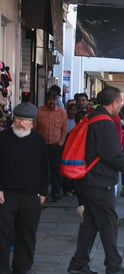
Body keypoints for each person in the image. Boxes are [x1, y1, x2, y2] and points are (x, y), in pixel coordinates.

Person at [67, 86, 124, 274]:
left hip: (87, 179)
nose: (120, 105)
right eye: (120, 102)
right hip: (99, 181)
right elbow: (111, 153)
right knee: (109, 223)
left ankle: (78, 264)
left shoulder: (93, 117)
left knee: (91, 223)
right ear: (115, 102)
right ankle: (114, 266)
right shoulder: (105, 122)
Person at [0, 102, 48, 274]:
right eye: (19, 119)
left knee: (27, 234)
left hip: (31, 195)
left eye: (26, 121)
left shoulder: (38, 140)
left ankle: (22, 267)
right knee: (3, 234)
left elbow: (45, 167)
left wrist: (43, 192)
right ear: (13, 120)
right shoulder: (3, 138)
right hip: (6, 195)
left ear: (32, 123)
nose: (21, 124)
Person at [36, 92, 68, 201]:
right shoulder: (39, 112)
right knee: (43, 170)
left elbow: (64, 129)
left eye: (53, 99)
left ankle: (56, 193)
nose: (52, 102)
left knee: (56, 170)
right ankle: (42, 192)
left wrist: (61, 142)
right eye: (49, 99)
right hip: (42, 146)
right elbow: (34, 128)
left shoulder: (62, 112)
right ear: (45, 100)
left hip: (56, 146)